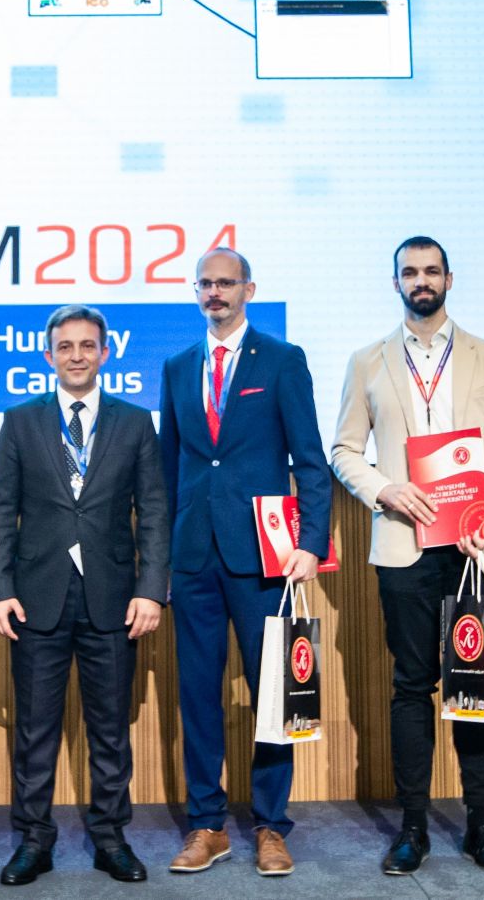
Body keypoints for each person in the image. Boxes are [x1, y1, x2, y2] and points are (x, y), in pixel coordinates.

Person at [330, 236, 484, 876]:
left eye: (431, 271)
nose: (421, 280)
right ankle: (413, 827)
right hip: (404, 544)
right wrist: (383, 489)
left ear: (449, 278)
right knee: (411, 686)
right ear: (395, 283)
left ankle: (481, 825)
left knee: (477, 685)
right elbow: (343, 451)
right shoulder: (366, 361)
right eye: (409, 272)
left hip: (476, 548)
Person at [160, 248, 329, 878]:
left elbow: (310, 458)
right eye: (205, 283)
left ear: (248, 289)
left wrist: (312, 542)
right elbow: (169, 469)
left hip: (265, 556)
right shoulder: (178, 366)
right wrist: (162, 562)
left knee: (273, 695)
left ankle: (270, 826)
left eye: (226, 283)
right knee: (198, 695)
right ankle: (207, 825)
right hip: (192, 557)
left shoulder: (282, 360)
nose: (215, 292)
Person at [0, 305, 169, 885]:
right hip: (35, 597)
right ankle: (33, 840)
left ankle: (110, 838)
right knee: (35, 731)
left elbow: (154, 512)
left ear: (105, 353)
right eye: (65, 346)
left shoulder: (135, 422)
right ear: (49, 355)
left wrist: (151, 590)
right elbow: (1, 511)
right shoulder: (20, 420)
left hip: (113, 599)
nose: (76, 356)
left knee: (110, 730)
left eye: (87, 345)